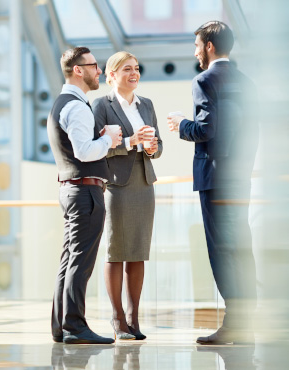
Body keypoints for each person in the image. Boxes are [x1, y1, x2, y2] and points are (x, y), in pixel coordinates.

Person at [167, 21, 259, 345]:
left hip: (215, 179)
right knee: (241, 248)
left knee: (222, 251)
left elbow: (206, 130)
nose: (195, 52)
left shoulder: (204, 80)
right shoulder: (247, 82)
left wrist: (181, 124)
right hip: (239, 178)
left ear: (208, 46)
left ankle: (235, 323)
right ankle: (245, 321)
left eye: (196, 45)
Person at [49, 46, 123, 345]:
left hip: (72, 189)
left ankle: (61, 325)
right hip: (84, 192)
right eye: (94, 66)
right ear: (78, 70)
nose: (99, 71)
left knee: (70, 260)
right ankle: (75, 327)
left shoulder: (63, 103)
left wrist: (105, 138)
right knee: (80, 261)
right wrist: (107, 138)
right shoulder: (77, 106)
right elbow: (84, 150)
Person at [91, 51, 162, 341]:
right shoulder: (102, 105)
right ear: (111, 76)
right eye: (126, 69)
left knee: (138, 253)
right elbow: (97, 147)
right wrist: (131, 143)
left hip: (144, 185)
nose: (134, 74)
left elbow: (158, 148)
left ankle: (134, 318)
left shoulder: (147, 105)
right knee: (116, 252)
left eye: (136, 68)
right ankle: (118, 317)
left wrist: (150, 147)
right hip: (118, 187)